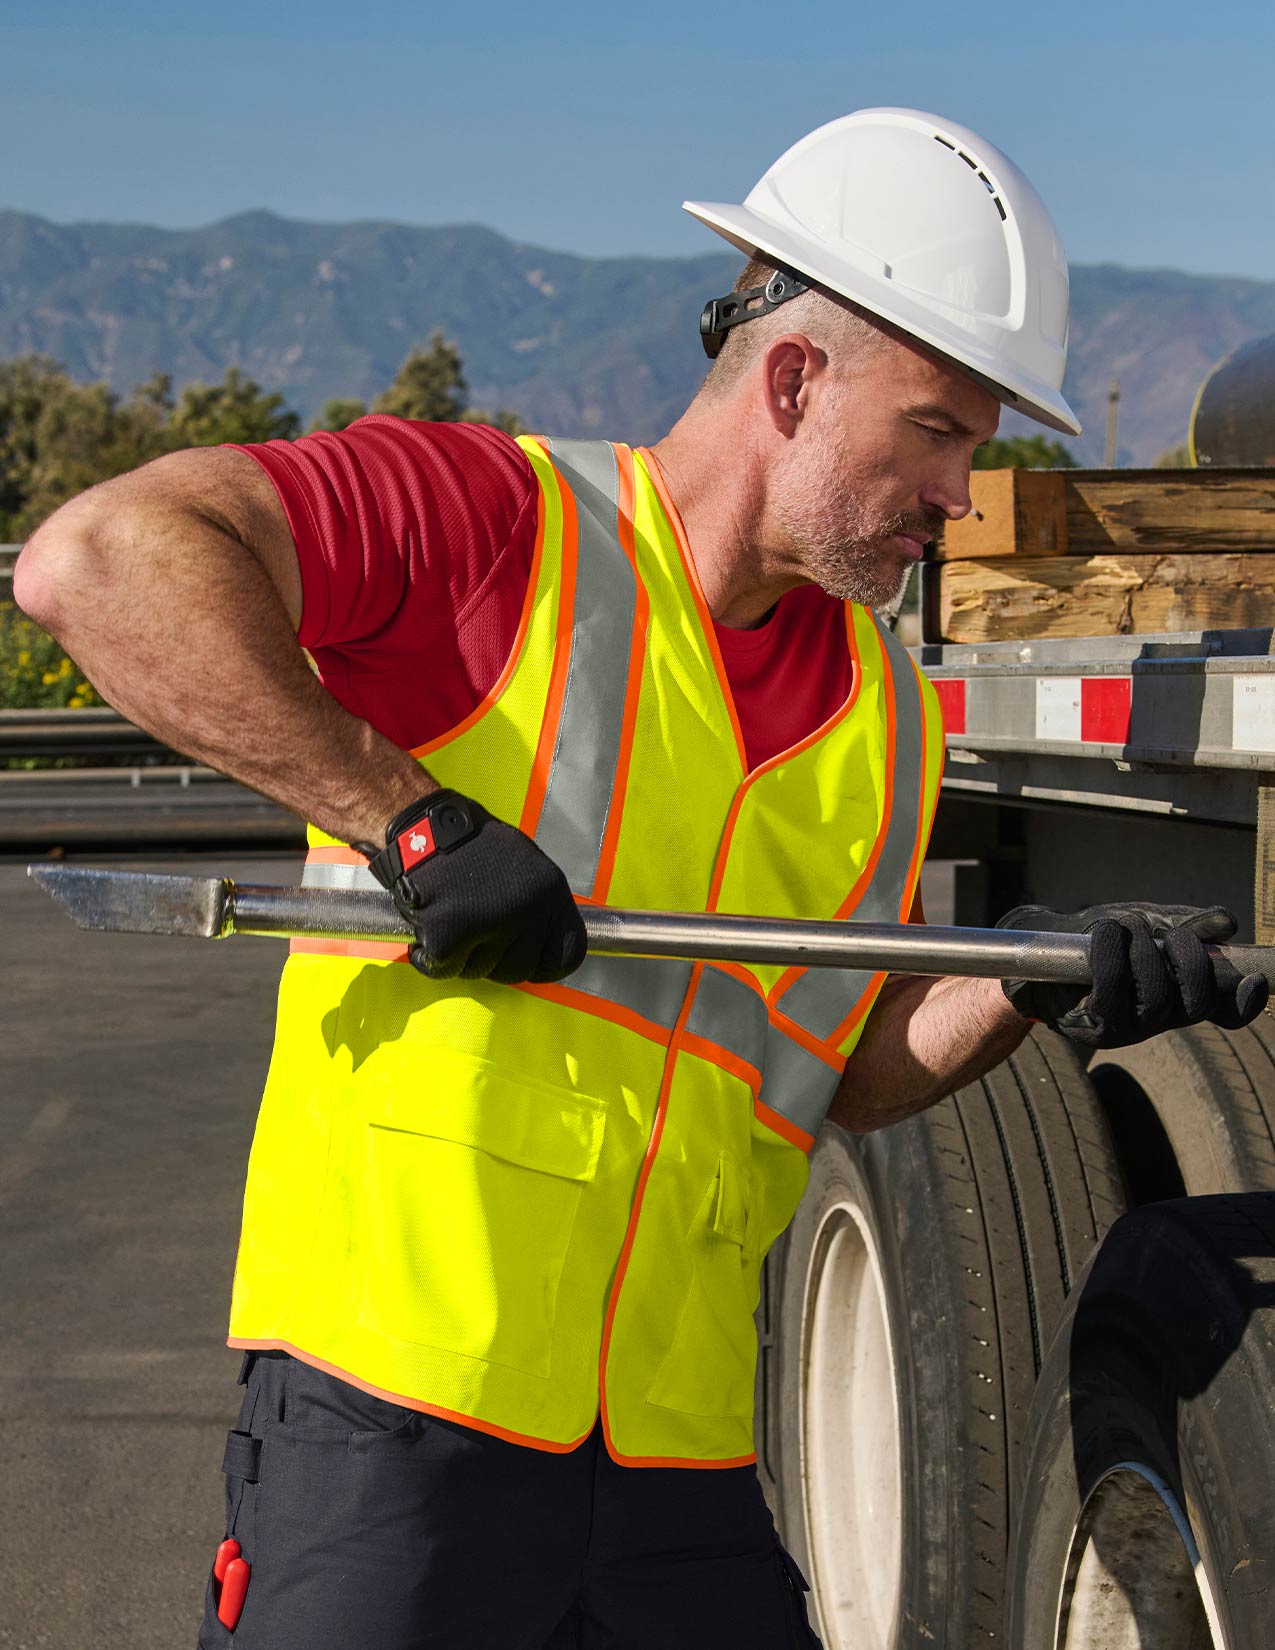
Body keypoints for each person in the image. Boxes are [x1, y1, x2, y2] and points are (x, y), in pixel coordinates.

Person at [15, 107, 1266, 1650]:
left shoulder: (882, 716)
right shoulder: (498, 528)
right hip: (395, 1424)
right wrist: (409, 821)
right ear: (797, 379)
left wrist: (1035, 971)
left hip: (681, 1467)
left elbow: (845, 1076)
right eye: (939, 431)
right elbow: (97, 558)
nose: (960, 491)